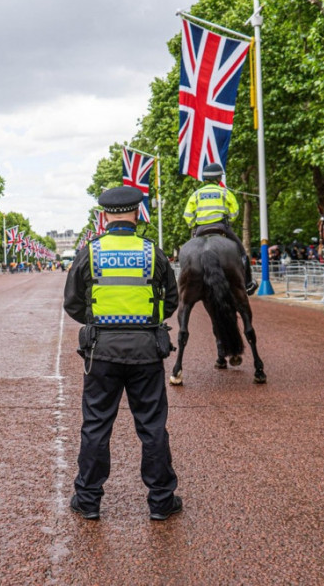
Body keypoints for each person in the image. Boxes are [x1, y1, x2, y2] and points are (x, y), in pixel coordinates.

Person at [63, 186, 182, 521]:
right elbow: (170, 301)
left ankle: (87, 500)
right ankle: (161, 501)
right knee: (153, 427)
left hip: (101, 351)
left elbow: (72, 302)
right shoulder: (152, 252)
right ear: (137, 214)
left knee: (96, 426)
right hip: (146, 350)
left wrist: (98, 321)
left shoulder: (90, 252)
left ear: (104, 217)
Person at [183, 162, 258, 295]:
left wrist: (193, 225)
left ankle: (187, 285)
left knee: (188, 255)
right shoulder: (224, 192)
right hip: (221, 227)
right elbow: (235, 211)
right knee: (243, 254)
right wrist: (230, 220)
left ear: (205, 179)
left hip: (200, 229)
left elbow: (187, 215)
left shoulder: (196, 194)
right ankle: (247, 284)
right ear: (218, 178)